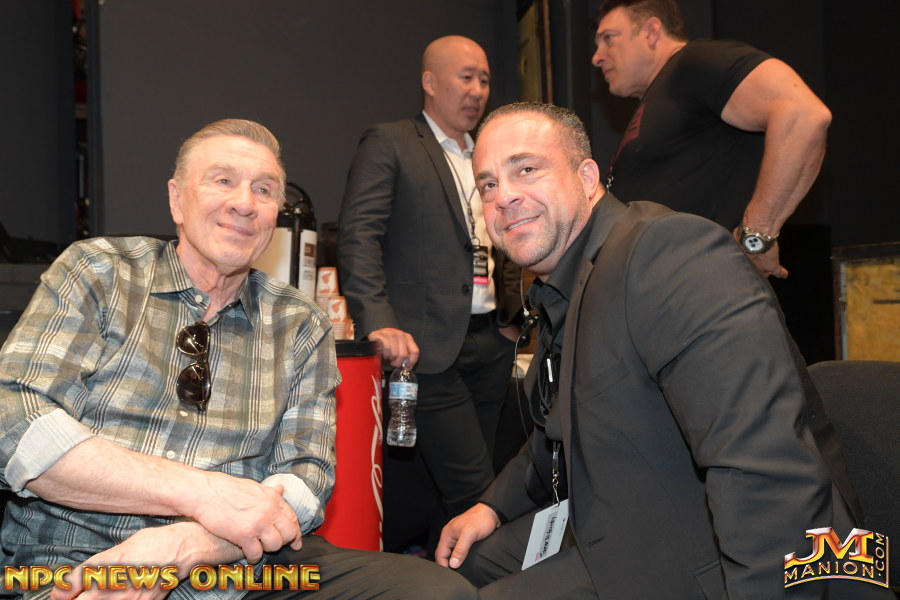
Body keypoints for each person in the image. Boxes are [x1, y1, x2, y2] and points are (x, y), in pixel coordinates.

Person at [0, 119, 477, 600]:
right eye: (223, 180)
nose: (244, 203)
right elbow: (14, 425)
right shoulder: (100, 272)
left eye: (264, 190)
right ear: (176, 199)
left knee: (439, 593)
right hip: (77, 563)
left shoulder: (300, 323)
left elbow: (307, 479)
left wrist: (187, 543)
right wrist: (202, 493)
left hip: (241, 567)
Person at [435, 102, 890, 599]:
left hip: (711, 553)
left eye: (526, 169)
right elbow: (559, 429)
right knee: (455, 572)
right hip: (612, 520)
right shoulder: (560, 290)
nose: (504, 196)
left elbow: (764, 471)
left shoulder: (669, 253)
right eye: (488, 184)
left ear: (587, 178)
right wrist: (493, 507)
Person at [337, 36, 522, 553]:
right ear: (430, 82)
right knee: (475, 490)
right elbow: (359, 235)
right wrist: (377, 320)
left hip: (490, 342)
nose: (478, 90)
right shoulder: (393, 141)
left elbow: (506, 235)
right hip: (425, 348)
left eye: (485, 79)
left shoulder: (487, 154)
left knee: (456, 490)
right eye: (466, 77)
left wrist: (513, 320)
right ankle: (481, 581)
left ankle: (438, 577)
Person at [591, 0, 832, 279]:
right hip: (657, 293)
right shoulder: (662, 98)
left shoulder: (694, 62)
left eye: (609, 38)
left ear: (652, 32)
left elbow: (803, 115)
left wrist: (756, 236)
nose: (597, 57)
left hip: (701, 293)